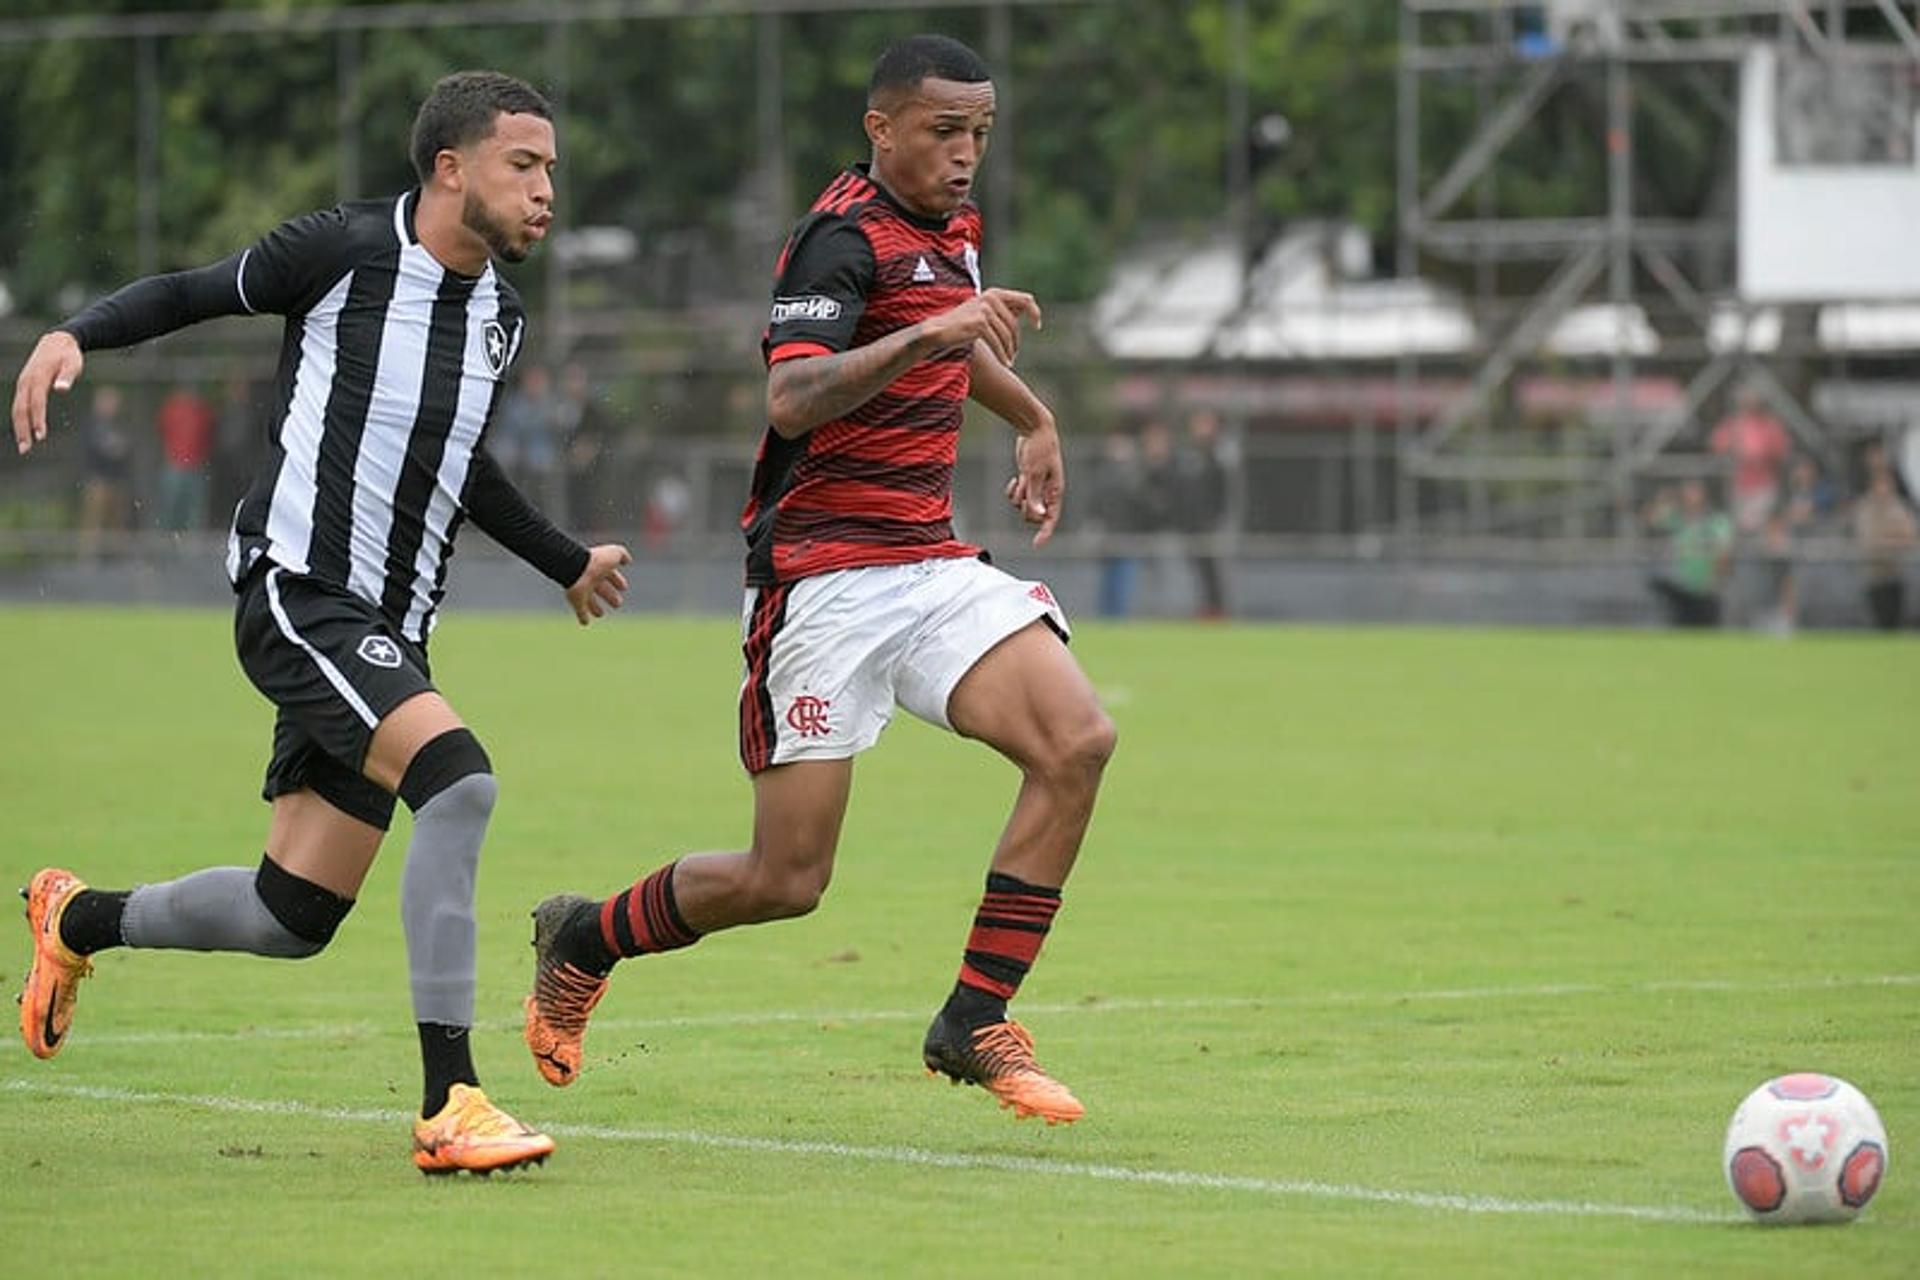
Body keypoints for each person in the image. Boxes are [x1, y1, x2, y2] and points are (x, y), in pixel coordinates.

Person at [9, 70, 632, 1176]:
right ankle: (451, 1102)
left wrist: (567, 560)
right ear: (450, 169)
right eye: (522, 165)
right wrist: (75, 335)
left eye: (551, 171)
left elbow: (461, 466)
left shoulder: (501, 313)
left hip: (391, 624)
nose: (546, 191)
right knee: (462, 777)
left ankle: (75, 918)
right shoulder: (340, 251)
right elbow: (192, 290)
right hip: (300, 592)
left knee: (287, 912)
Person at [521, 34, 1114, 1126]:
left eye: (979, 132)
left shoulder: (954, 230)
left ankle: (973, 1017)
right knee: (786, 880)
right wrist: (929, 330)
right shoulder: (838, 238)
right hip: (819, 579)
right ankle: (584, 933)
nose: (966, 153)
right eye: (944, 131)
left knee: (1077, 739)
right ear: (881, 128)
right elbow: (794, 400)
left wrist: (1032, 413)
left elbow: (952, 338)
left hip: (926, 562)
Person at [1644, 479, 1733, 628]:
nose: (1690, 497)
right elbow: (1650, 518)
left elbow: (1723, 552)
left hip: (1706, 589)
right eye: (1687, 493)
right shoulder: (1678, 519)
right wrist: (1663, 499)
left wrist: (1717, 579)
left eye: (1694, 492)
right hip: (1683, 587)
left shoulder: (1715, 522)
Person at [1175, 408, 1233, 620]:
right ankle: (1206, 607)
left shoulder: (1218, 456)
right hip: (1190, 524)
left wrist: (1214, 520)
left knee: (1212, 570)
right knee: (1198, 569)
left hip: (1209, 525)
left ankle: (1217, 609)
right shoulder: (1189, 455)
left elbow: (1222, 493)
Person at [1710, 388, 1791, 535]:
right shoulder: (1733, 423)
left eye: (1754, 400)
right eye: (1746, 400)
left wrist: (1762, 455)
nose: (1750, 403)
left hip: (1764, 483)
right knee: (1741, 526)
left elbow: (1782, 450)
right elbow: (1717, 444)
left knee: (1759, 524)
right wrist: (1734, 450)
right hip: (1738, 483)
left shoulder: (1770, 424)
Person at [1853, 463, 1918, 630]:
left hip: (1897, 573)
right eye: (1881, 483)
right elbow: (1869, 539)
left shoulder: (1899, 507)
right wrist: (1895, 537)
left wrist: (1890, 539)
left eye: (1888, 483)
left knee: (1896, 622)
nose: (1885, 488)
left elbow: (1911, 536)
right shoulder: (1866, 508)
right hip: (1874, 575)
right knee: (1879, 623)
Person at [75, 384, 133, 561]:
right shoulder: (91, 424)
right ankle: (88, 557)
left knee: (118, 519)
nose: (111, 405)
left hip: (116, 479)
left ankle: (118, 556)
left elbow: (124, 447)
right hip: (97, 479)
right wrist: (111, 447)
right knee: (93, 520)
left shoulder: (119, 424)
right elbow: (97, 447)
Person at [154, 381, 215, 532]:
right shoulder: (173, 408)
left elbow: (210, 433)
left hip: (195, 464)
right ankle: (166, 541)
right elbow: (162, 431)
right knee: (170, 506)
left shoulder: (202, 409)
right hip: (175, 464)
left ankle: (191, 546)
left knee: (195, 510)